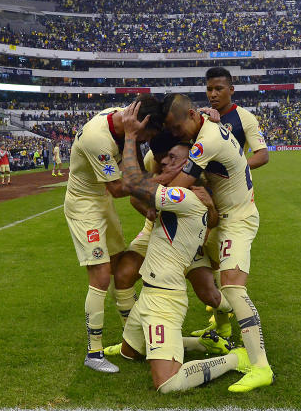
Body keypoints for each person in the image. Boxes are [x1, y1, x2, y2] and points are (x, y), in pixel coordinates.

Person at [111, 102, 250, 393]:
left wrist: (131, 137)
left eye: (173, 159)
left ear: (191, 163)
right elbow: (143, 189)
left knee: (168, 383)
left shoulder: (186, 199)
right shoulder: (194, 197)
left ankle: (235, 358)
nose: (163, 163)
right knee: (129, 353)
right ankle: (202, 342)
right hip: (150, 292)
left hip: (165, 299)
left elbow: (133, 183)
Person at [162, 93, 274, 392]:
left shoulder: (206, 139)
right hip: (221, 217)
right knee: (204, 269)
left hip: (237, 218)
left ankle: (259, 365)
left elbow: (179, 186)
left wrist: (149, 188)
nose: (176, 134)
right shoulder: (206, 123)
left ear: (190, 115)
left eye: (177, 127)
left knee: (233, 287)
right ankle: (222, 330)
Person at [63, 95, 162, 373]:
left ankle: (131, 340)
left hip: (100, 202)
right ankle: (93, 354)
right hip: (84, 206)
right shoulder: (99, 139)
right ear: (138, 123)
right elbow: (118, 189)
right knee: (101, 275)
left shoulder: (122, 120)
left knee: (120, 269)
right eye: (147, 135)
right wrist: (160, 184)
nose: (146, 141)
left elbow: (136, 168)